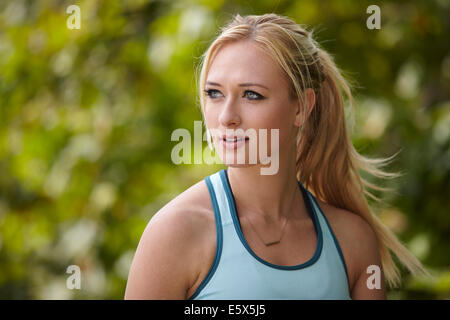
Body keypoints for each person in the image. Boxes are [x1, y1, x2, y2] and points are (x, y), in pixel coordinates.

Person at [124, 13, 432, 300]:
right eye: (214, 93)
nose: (226, 117)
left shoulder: (353, 242)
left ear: (301, 107)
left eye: (252, 95)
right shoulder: (176, 233)